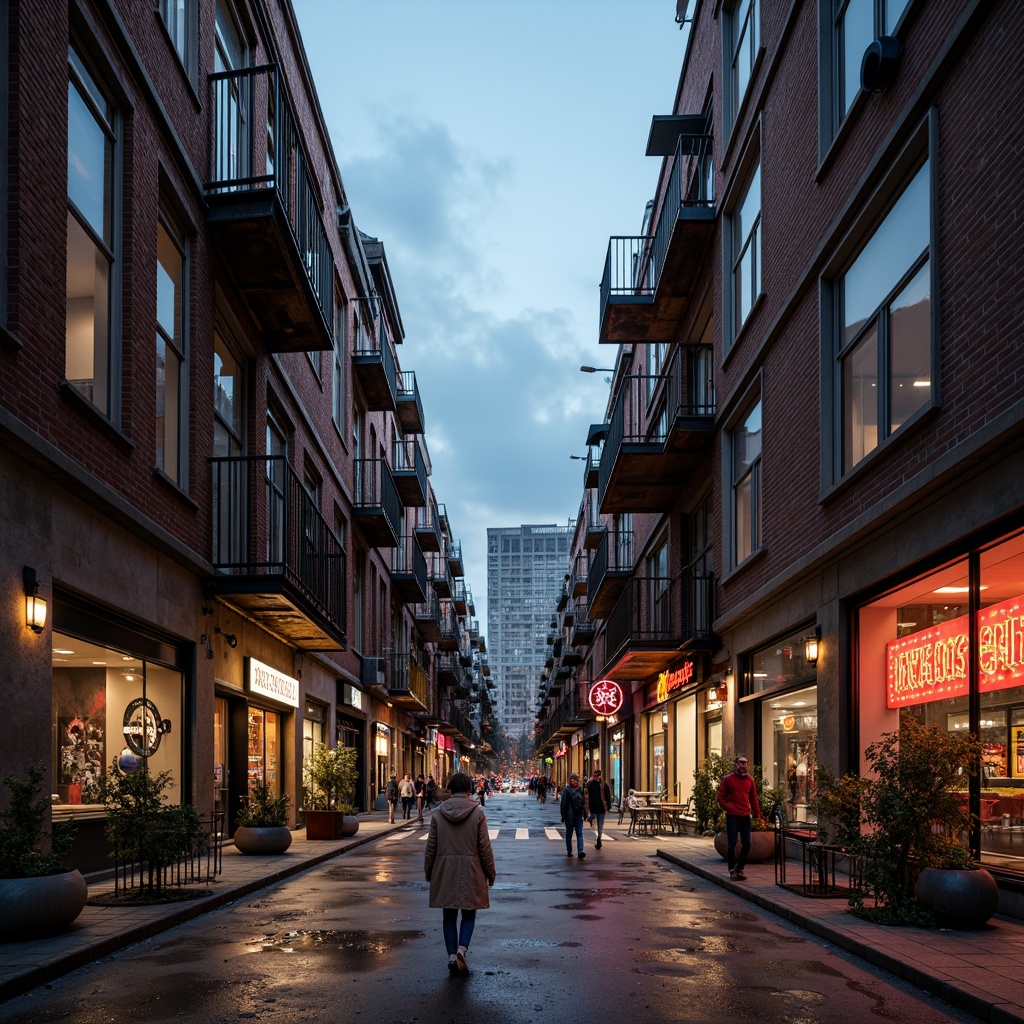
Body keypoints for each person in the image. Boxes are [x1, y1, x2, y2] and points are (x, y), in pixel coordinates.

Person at [424, 771, 496, 976]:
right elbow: (484, 847)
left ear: (450, 789)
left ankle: (450, 956)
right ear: (468, 789)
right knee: (469, 914)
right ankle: (462, 950)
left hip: (444, 870)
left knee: (448, 915)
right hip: (471, 870)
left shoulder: (438, 813)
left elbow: (431, 847)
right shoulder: (477, 813)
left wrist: (429, 872)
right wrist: (491, 873)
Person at [716, 754, 762, 881]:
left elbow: (753, 799)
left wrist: (758, 815)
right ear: (736, 764)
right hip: (732, 816)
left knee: (747, 843)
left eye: (746, 763)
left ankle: (739, 868)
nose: (744, 765)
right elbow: (720, 797)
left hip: (745, 816)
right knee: (731, 844)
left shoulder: (750, 780)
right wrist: (729, 807)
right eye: (741, 762)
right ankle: (732, 870)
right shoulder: (728, 779)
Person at [560, 773, 589, 859]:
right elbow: (584, 803)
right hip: (578, 815)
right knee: (579, 834)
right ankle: (580, 851)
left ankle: (570, 851)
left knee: (569, 834)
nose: (575, 782)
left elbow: (563, 804)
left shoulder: (566, 790)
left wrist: (563, 815)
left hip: (570, 816)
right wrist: (585, 813)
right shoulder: (580, 790)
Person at [584, 768, 612, 850]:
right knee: (592, 818)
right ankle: (590, 821)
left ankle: (599, 839)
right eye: (596, 776)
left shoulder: (603, 784)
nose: (597, 777)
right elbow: (586, 795)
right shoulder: (589, 784)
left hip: (601, 807)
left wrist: (608, 805)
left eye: (598, 776)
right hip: (592, 806)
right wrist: (586, 805)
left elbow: (607, 795)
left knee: (600, 824)